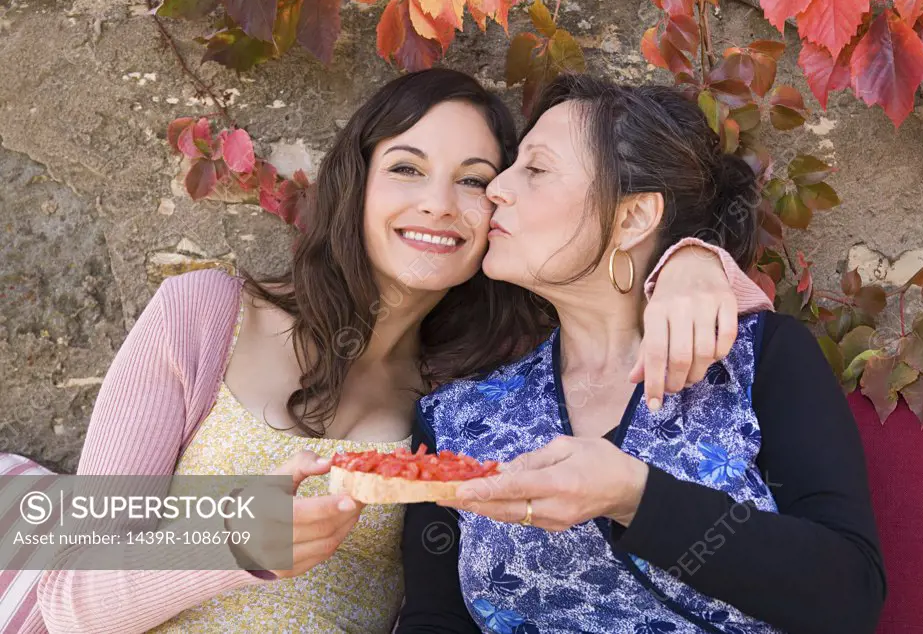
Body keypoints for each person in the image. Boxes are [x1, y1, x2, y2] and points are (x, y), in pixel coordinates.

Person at [33, 69, 771, 633]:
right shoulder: (205, 317)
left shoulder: (475, 392)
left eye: (476, 182)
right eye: (407, 168)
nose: (439, 205)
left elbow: (623, 306)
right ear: (357, 182)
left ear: (503, 210)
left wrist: (692, 263)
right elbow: (65, 597)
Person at [399, 75, 886, 634]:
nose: (495, 190)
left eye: (534, 169)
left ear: (632, 218)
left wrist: (635, 496)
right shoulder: (458, 417)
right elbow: (434, 618)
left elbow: (851, 594)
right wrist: (271, 540)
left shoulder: (754, 362)